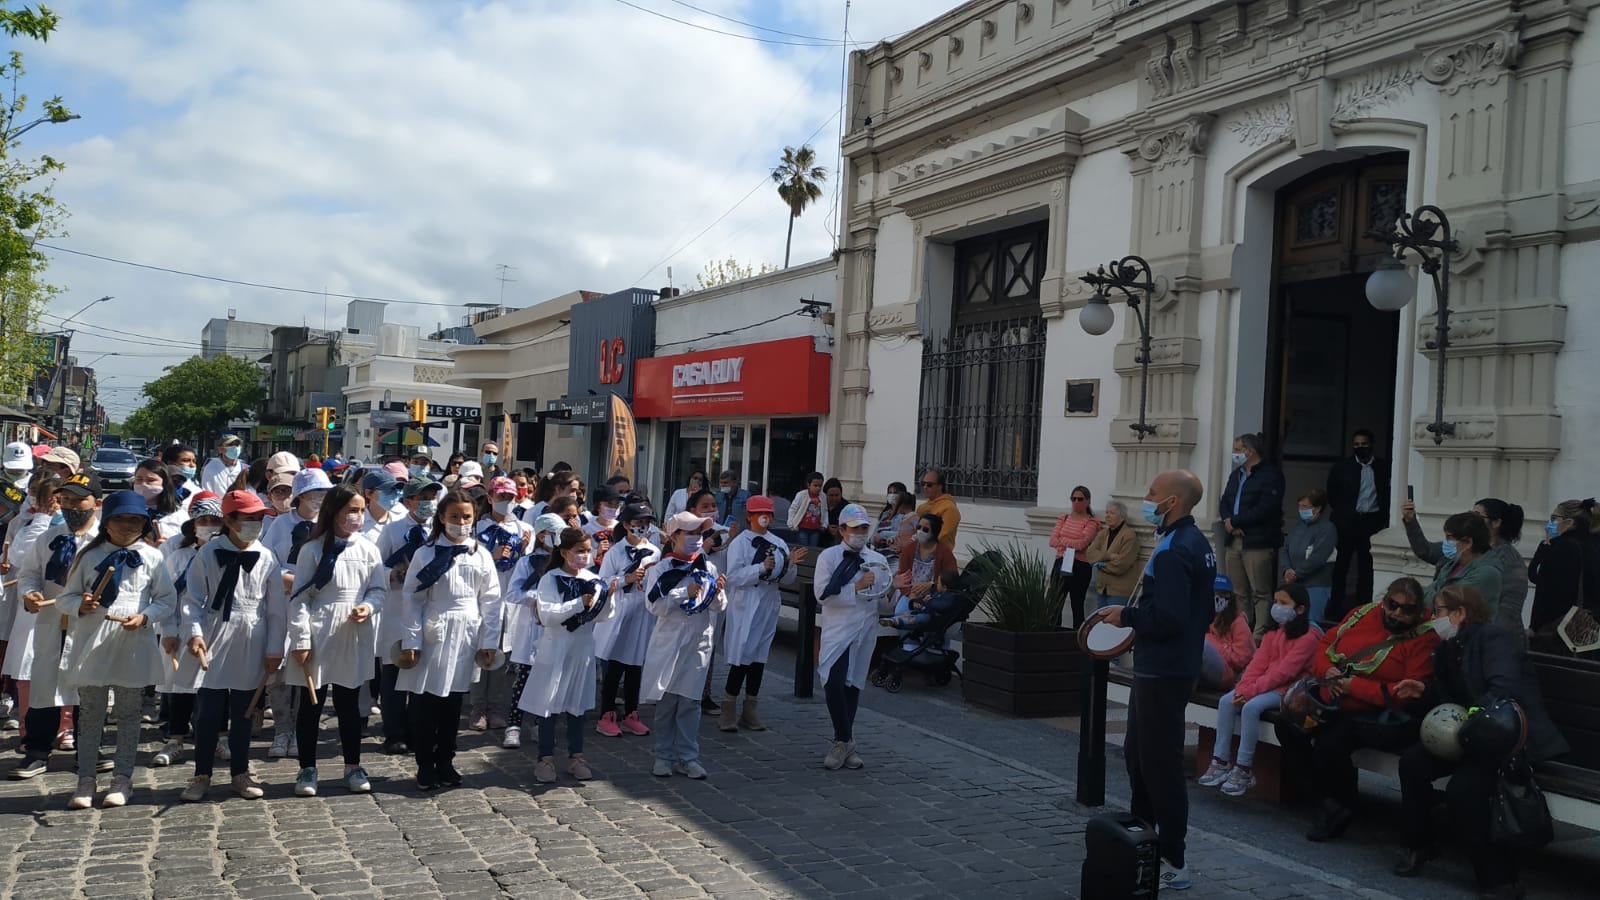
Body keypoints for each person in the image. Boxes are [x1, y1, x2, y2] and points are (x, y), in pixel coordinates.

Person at [1390, 584, 1569, 895]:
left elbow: (1502, 690)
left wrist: (1467, 722)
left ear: (1461, 613)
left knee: (1463, 791)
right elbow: (1446, 697)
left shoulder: (1494, 639)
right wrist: (1423, 695)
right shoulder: (1447, 648)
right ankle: (1418, 843)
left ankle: (1500, 877)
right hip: (1468, 734)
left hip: (1505, 739)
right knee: (1413, 763)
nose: (1435, 618)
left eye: (1441, 611)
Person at [1098, 470, 1214, 890]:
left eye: (1152, 493)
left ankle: (1172, 860)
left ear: (1174, 502)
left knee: (1160, 765)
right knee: (1139, 756)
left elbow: (1167, 617)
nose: (1146, 499)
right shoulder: (1193, 543)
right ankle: (1141, 841)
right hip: (1166, 665)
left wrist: (1125, 616)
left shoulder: (1175, 549)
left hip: (1163, 669)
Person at [57, 490, 178, 809]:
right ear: (106, 522)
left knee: (128, 714)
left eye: (135, 520)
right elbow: (64, 599)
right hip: (93, 643)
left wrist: (144, 617)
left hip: (132, 643)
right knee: (91, 714)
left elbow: (166, 600)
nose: (127, 525)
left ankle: (123, 778)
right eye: (120, 519)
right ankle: (85, 780)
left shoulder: (152, 557)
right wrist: (80, 604)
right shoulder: (88, 556)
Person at [1297, 577, 1441, 842]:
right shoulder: (1362, 613)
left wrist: (1354, 688)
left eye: (1406, 609)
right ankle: (1327, 801)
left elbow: (1405, 693)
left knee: (1330, 743)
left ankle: (1339, 807)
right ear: (1384, 600)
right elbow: (1324, 646)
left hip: (1379, 713)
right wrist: (1326, 670)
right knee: (1294, 727)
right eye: (1392, 604)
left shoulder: (1424, 637)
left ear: (1418, 611)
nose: (1397, 612)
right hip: (1335, 699)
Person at [178, 490, 287, 802]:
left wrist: (274, 649)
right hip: (214, 633)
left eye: (259, 519)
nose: (255, 524)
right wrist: (194, 633)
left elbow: (276, 609)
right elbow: (193, 600)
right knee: (208, 711)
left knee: (245, 710)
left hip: (252, 635)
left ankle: (240, 771)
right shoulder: (208, 553)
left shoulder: (266, 557)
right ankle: (202, 773)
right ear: (229, 520)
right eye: (248, 519)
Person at [395, 489, 503, 791]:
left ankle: (446, 759)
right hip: (435, 630)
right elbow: (412, 598)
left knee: (453, 703)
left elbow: (491, 600)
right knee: (427, 703)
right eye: (454, 516)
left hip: (466, 632)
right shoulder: (426, 553)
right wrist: (412, 640)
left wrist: (489, 640)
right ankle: (425, 763)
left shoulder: (479, 554)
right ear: (442, 517)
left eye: (466, 517)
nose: (460, 522)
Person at [285, 484, 385, 797]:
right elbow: (300, 597)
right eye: (350, 511)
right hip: (319, 630)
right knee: (311, 705)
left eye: (360, 510)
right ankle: (307, 767)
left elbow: (378, 589)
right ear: (334, 512)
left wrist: (367, 607)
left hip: (352, 632)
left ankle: (352, 765)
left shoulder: (368, 549)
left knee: (349, 703)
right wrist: (301, 638)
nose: (357, 517)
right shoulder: (313, 549)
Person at [11, 471, 102, 780]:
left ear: (96, 504)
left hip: (90, 625)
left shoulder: (106, 542)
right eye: (65, 500)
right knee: (45, 686)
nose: (71, 507)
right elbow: (29, 574)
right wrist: (30, 594)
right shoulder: (49, 538)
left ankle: (89, 749)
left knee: (89, 688)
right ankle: (37, 751)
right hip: (52, 623)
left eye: (79, 501)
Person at [1199, 582, 1319, 799]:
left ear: (1300, 609)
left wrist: (1251, 691)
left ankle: (1244, 768)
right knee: (1227, 701)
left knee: (1251, 708)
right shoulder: (1274, 634)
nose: (1277, 607)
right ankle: (1220, 760)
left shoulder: (1308, 638)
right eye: (1275, 602)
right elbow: (1257, 664)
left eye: (1284, 603)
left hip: (1290, 691)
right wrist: (1243, 687)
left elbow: (1285, 673)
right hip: (1264, 685)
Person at [518, 527, 615, 783]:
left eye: (587, 551)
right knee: (549, 704)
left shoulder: (592, 578)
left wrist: (608, 599)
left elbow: (604, 616)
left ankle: (576, 756)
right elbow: (548, 615)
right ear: (564, 552)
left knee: (577, 705)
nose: (584, 556)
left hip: (581, 647)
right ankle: (545, 758)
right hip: (556, 645)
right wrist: (577, 603)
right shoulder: (551, 579)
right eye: (579, 551)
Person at [642, 511, 726, 779]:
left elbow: (717, 606)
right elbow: (654, 605)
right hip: (670, 641)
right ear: (675, 536)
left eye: (699, 533)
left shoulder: (707, 566)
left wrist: (717, 593)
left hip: (698, 641)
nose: (696, 539)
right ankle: (664, 755)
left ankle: (688, 756)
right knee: (667, 701)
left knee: (690, 702)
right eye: (690, 533)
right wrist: (682, 592)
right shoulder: (661, 569)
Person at [261, 466, 335, 758]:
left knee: (309, 665)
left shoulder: (329, 526)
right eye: (313, 493)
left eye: (324, 494)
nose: (318, 499)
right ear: (300, 496)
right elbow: (266, 559)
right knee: (278, 670)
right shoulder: (280, 525)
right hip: (284, 598)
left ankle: (304, 730)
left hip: (316, 599)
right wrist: (283, 577)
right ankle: (282, 729)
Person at [718, 495, 805, 732]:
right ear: (750, 516)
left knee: (759, 656)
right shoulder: (740, 543)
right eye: (759, 514)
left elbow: (787, 578)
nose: (764, 518)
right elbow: (734, 577)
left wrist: (789, 564)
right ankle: (728, 706)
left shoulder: (778, 542)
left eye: (767, 514)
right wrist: (760, 568)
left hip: (767, 603)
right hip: (746, 604)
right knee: (742, 654)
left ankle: (750, 707)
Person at [152, 492, 223, 769]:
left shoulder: (225, 554)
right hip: (180, 630)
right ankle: (176, 739)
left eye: (214, 520)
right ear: (193, 525)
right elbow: (168, 596)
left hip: (215, 631)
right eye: (203, 520)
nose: (209, 525)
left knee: (215, 688)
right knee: (179, 687)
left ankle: (219, 737)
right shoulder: (179, 556)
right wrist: (168, 630)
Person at [815, 504, 889, 772]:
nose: (859, 533)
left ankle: (842, 740)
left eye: (864, 528)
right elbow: (822, 593)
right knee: (834, 681)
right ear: (843, 530)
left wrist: (897, 590)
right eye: (854, 528)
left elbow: (882, 597)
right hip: (838, 628)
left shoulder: (877, 560)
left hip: (863, 629)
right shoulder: (829, 557)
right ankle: (844, 739)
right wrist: (854, 587)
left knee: (853, 683)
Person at [373, 476, 443, 755]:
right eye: (422, 498)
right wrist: (393, 574)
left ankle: (418, 728)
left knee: (421, 672)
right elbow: (373, 567)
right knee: (393, 672)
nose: (428, 504)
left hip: (427, 608)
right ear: (408, 501)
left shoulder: (438, 532)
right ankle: (394, 731)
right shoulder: (392, 532)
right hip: (396, 608)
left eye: (432, 498)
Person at [2, 472, 62, 734]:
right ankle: (30, 726)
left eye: (55, 498)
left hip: (65, 605)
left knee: (63, 666)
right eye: (40, 495)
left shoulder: (82, 526)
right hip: (33, 605)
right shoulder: (27, 521)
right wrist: (41, 519)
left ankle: (65, 726)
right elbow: (20, 556)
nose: (48, 503)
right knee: (28, 664)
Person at [593, 504, 659, 738]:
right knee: (614, 665)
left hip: (642, 612)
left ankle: (632, 712)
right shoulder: (616, 552)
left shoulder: (654, 551)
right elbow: (602, 583)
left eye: (646, 523)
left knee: (635, 664)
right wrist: (626, 579)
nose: (642, 527)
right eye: (638, 522)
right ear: (627, 524)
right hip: (620, 610)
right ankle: (606, 713)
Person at [470, 476, 529, 732]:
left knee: (501, 654)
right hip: (483, 597)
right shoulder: (477, 527)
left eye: (510, 498)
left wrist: (524, 551)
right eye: (501, 497)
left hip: (510, 599)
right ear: (491, 498)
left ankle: (494, 705)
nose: (505, 502)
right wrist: (491, 557)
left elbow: (527, 567)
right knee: (482, 649)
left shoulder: (523, 528)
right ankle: (477, 706)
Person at [501, 512, 561, 749]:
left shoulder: (562, 562)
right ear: (543, 534)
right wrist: (538, 597)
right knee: (524, 678)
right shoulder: (527, 562)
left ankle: (540, 723)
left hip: (553, 628)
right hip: (531, 629)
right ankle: (514, 725)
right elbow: (513, 593)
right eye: (553, 535)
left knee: (547, 680)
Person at [1219, 433, 1285, 636]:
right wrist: (1228, 521)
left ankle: (1258, 635)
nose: (1235, 454)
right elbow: (1225, 501)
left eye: (1238, 450)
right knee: (1238, 591)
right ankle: (1242, 632)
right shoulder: (1236, 474)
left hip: (1258, 541)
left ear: (1250, 451)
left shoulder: (1271, 475)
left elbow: (1267, 507)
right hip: (1234, 540)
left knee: (1261, 591)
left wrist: (1237, 521)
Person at [879, 514, 957, 677]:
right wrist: (910, 594)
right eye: (919, 527)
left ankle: (933, 652)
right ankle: (909, 648)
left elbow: (951, 580)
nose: (920, 531)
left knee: (934, 620)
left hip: (934, 599)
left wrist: (932, 585)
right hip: (911, 594)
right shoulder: (910, 549)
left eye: (925, 529)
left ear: (934, 532)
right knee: (901, 610)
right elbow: (902, 576)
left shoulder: (944, 552)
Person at [1326, 428, 1390, 620]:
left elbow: (1387, 494)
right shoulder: (1342, 467)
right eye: (1356, 445)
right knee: (1340, 567)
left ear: (1371, 444)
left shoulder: (1382, 467)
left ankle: (1363, 610)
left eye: (1363, 444)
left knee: (1366, 568)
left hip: (1371, 522)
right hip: (1346, 523)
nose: (1360, 448)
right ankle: (1335, 611)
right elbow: (1333, 494)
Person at [1528, 498, 1600, 649]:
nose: (1550, 524)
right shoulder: (1592, 546)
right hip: (1585, 629)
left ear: (1569, 523)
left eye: (1554, 519)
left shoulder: (1561, 547)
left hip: (1555, 630)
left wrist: (1545, 546)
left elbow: (1540, 583)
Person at [1401, 505, 1503, 607]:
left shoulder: (1486, 573)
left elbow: (1445, 604)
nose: (1446, 542)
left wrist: (1425, 594)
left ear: (1468, 542)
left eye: (1449, 538)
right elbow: (1429, 592)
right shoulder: (1452, 563)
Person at [1468, 498, 1530, 633]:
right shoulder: (1477, 550)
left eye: (1478, 516)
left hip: (1498, 636)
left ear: (1496, 523)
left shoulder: (1508, 557)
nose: (1471, 520)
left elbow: (1509, 607)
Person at [1279, 489, 1338, 623]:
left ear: (1317, 509)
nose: (1300, 509)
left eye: (1304, 506)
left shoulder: (1327, 529)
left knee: (1311, 624)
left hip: (1316, 586)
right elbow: (1285, 549)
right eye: (1299, 506)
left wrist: (1296, 574)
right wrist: (1287, 569)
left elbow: (1317, 558)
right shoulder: (1298, 526)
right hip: (1295, 585)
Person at [1049, 486, 1101, 627]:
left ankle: (1076, 637)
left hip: (1080, 565)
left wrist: (1063, 540)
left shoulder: (1091, 522)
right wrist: (1068, 542)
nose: (1076, 502)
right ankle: (1053, 634)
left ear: (1087, 501)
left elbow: (1082, 544)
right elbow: (1052, 540)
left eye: (1080, 499)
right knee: (1054, 602)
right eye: (1074, 499)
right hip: (1061, 562)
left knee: (1077, 604)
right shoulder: (1064, 518)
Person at [1199, 575, 1255, 691]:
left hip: (1228, 673)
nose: (1217, 597)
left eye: (1221, 593)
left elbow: (1241, 659)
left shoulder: (1238, 621)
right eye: (1214, 593)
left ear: (1229, 596)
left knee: (1201, 643)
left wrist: (1213, 643)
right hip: (1204, 672)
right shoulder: (1204, 615)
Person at [1083, 500, 1141, 608]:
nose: (1107, 516)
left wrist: (1101, 564)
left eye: (1112, 513)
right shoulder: (1103, 533)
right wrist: (1109, 556)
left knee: (1115, 624)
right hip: (1102, 589)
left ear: (1122, 517)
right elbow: (1090, 554)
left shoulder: (1129, 536)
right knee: (1102, 622)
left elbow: (1121, 565)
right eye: (1106, 512)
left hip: (1120, 591)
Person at [132, 458, 186, 544]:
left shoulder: (178, 514)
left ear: (164, 483)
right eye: (139, 479)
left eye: (151, 480)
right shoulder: (126, 512)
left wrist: (165, 547)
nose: (143, 484)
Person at [915, 469, 961, 549]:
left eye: (929, 485)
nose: (925, 487)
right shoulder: (922, 507)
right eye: (923, 484)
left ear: (940, 486)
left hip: (940, 554)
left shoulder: (949, 508)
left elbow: (943, 535)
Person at [786, 472, 828, 548]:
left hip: (816, 528)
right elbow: (793, 509)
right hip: (803, 528)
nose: (818, 488)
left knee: (813, 549)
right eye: (815, 485)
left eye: (820, 486)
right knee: (803, 548)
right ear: (808, 485)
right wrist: (791, 524)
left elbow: (825, 511)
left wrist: (824, 524)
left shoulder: (823, 496)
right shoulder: (801, 495)